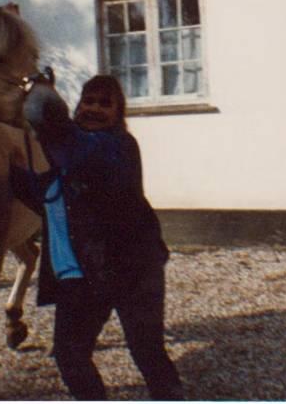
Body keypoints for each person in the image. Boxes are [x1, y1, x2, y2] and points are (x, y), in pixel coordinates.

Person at [10, 75, 184, 401]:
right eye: (88, 101)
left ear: (119, 114)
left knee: (146, 350)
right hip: (82, 275)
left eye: (105, 104)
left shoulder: (120, 147)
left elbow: (85, 156)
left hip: (134, 269)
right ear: (78, 106)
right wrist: (9, 168)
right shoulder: (64, 151)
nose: (94, 109)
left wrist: (50, 119)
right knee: (69, 355)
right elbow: (43, 195)